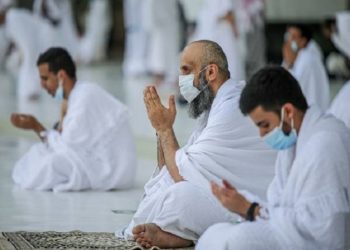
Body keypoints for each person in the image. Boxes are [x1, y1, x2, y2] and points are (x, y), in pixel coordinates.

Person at [116, 40, 276, 248]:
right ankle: (180, 233)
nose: (181, 80)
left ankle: (180, 233)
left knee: (178, 197)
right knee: (175, 194)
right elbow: (174, 169)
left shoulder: (232, 108)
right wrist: (160, 129)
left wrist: (165, 129)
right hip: (229, 197)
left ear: (210, 73)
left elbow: (181, 174)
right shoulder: (214, 108)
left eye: (186, 70)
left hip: (257, 205)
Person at [196, 66, 350, 250]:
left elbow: (324, 233)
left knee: (237, 240)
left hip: (310, 242)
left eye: (265, 124)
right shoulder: (293, 142)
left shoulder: (324, 144)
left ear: (288, 112)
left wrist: (250, 209)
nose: (262, 134)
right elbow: (281, 205)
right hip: (291, 233)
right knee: (215, 233)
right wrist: (245, 205)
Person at [11, 47, 136, 192]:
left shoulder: (84, 96)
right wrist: (61, 113)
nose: (42, 85)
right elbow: (66, 143)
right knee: (37, 152)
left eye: (45, 78)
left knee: (51, 164)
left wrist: (36, 126)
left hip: (110, 170)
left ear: (61, 76)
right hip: (99, 160)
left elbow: (67, 145)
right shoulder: (75, 96)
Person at [193, 0, 245, 81]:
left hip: (211, 30)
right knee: (229, 58)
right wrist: (235, 29)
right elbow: (228, 12)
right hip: (222, 31)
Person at [282, 24, 330, 112]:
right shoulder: (296, 58)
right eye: (288, 36)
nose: (289, 41)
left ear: (303, 41)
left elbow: (292, 89)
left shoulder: (308, 60)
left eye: (293, 37)